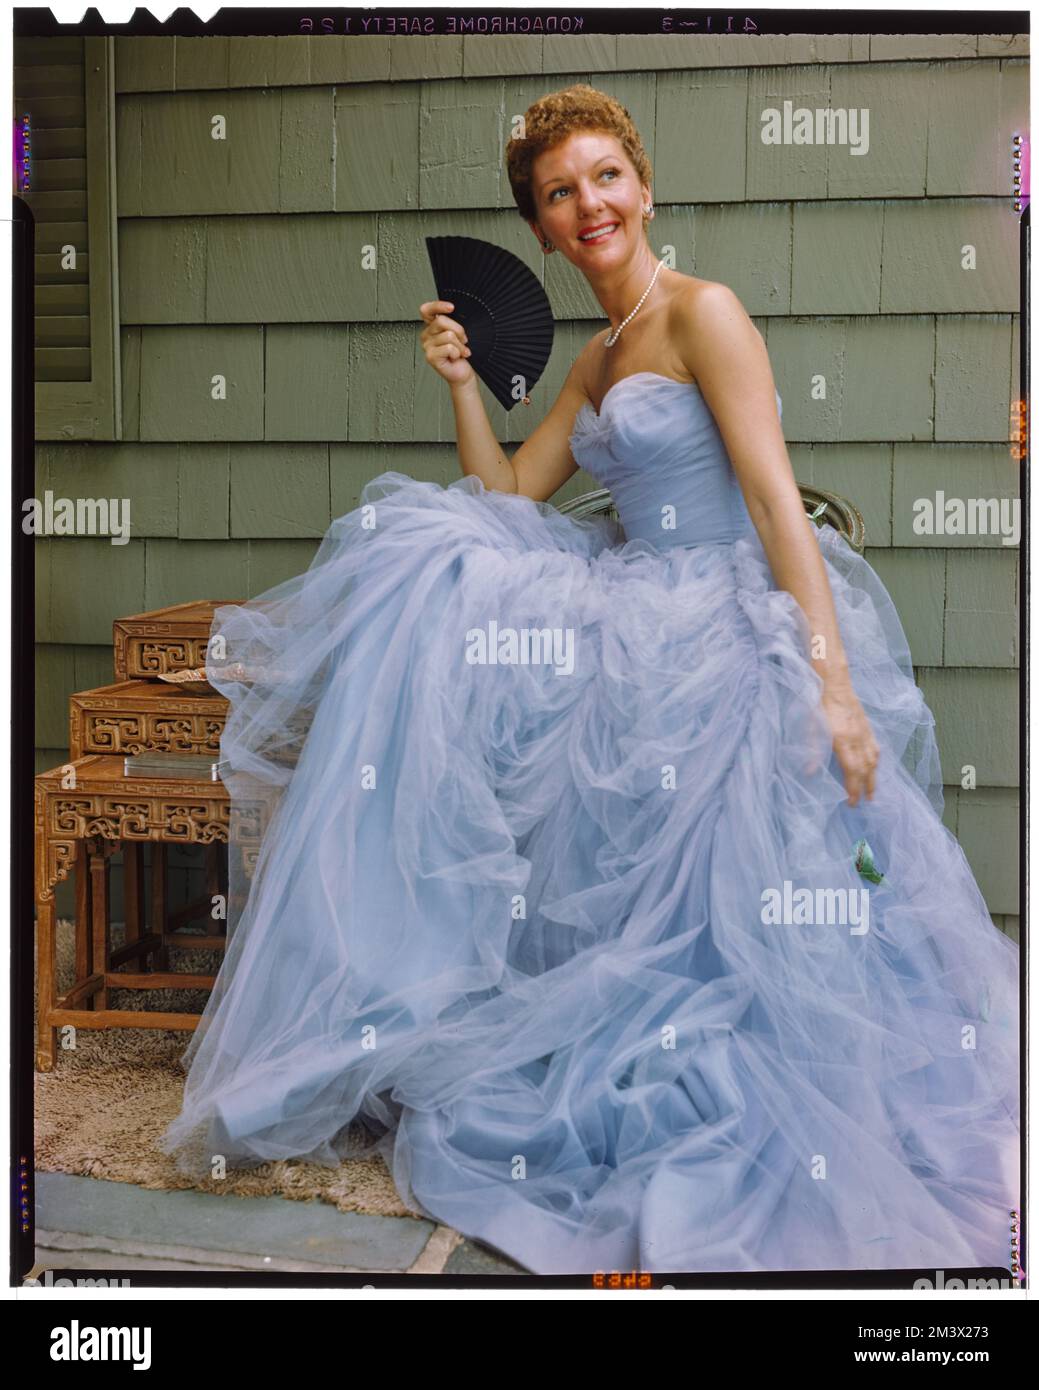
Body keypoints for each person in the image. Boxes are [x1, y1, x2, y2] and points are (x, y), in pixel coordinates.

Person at [159, 84, 1019, 1277]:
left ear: (644, 187)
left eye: (604, 175)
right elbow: (509, 496)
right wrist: (461, 379)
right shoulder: (598, 355)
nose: (589, 202)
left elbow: (775, 501)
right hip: (626, 603)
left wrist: (829, 684)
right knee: (442, 556)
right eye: (560, 192)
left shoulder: (703, 313)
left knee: (740, 869)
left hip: (726, 609)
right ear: (545, 231)